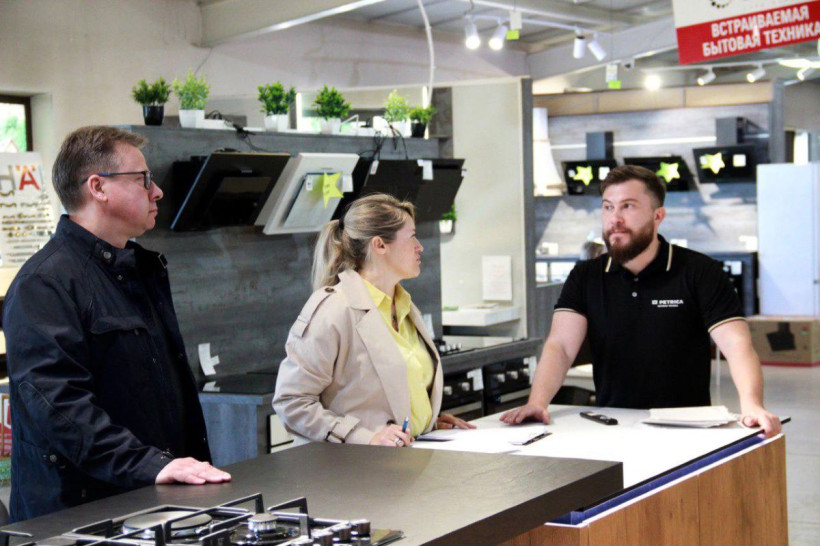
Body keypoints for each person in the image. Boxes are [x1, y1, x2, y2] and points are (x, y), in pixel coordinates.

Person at [3, 126, 230, 522]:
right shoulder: (44, 283)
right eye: (143, 179)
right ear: (98, 187)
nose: (157, 191)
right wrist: (150, 465)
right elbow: (58, 406)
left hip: (152, 498)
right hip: (80, 515)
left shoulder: (139, 269)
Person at [501, 165, 781, 437]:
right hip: (611, 423)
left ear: (658, 215)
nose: (615, 218)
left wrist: (752, 405)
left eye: (628, 206)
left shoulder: (700, 271)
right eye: (608, 207)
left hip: (688, 427)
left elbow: (736, 345)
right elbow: (561, 346)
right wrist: (538, 402)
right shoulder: (585, 276)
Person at [273, 193, 473, 446]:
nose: (420, 246)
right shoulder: (334, 309)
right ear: (380, 245)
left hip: (405, 457)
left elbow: (388, 396)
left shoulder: (405, 307)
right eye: (412, 236)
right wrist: (364, 437)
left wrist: (426, 422)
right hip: (354, 466)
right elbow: (291, 402)